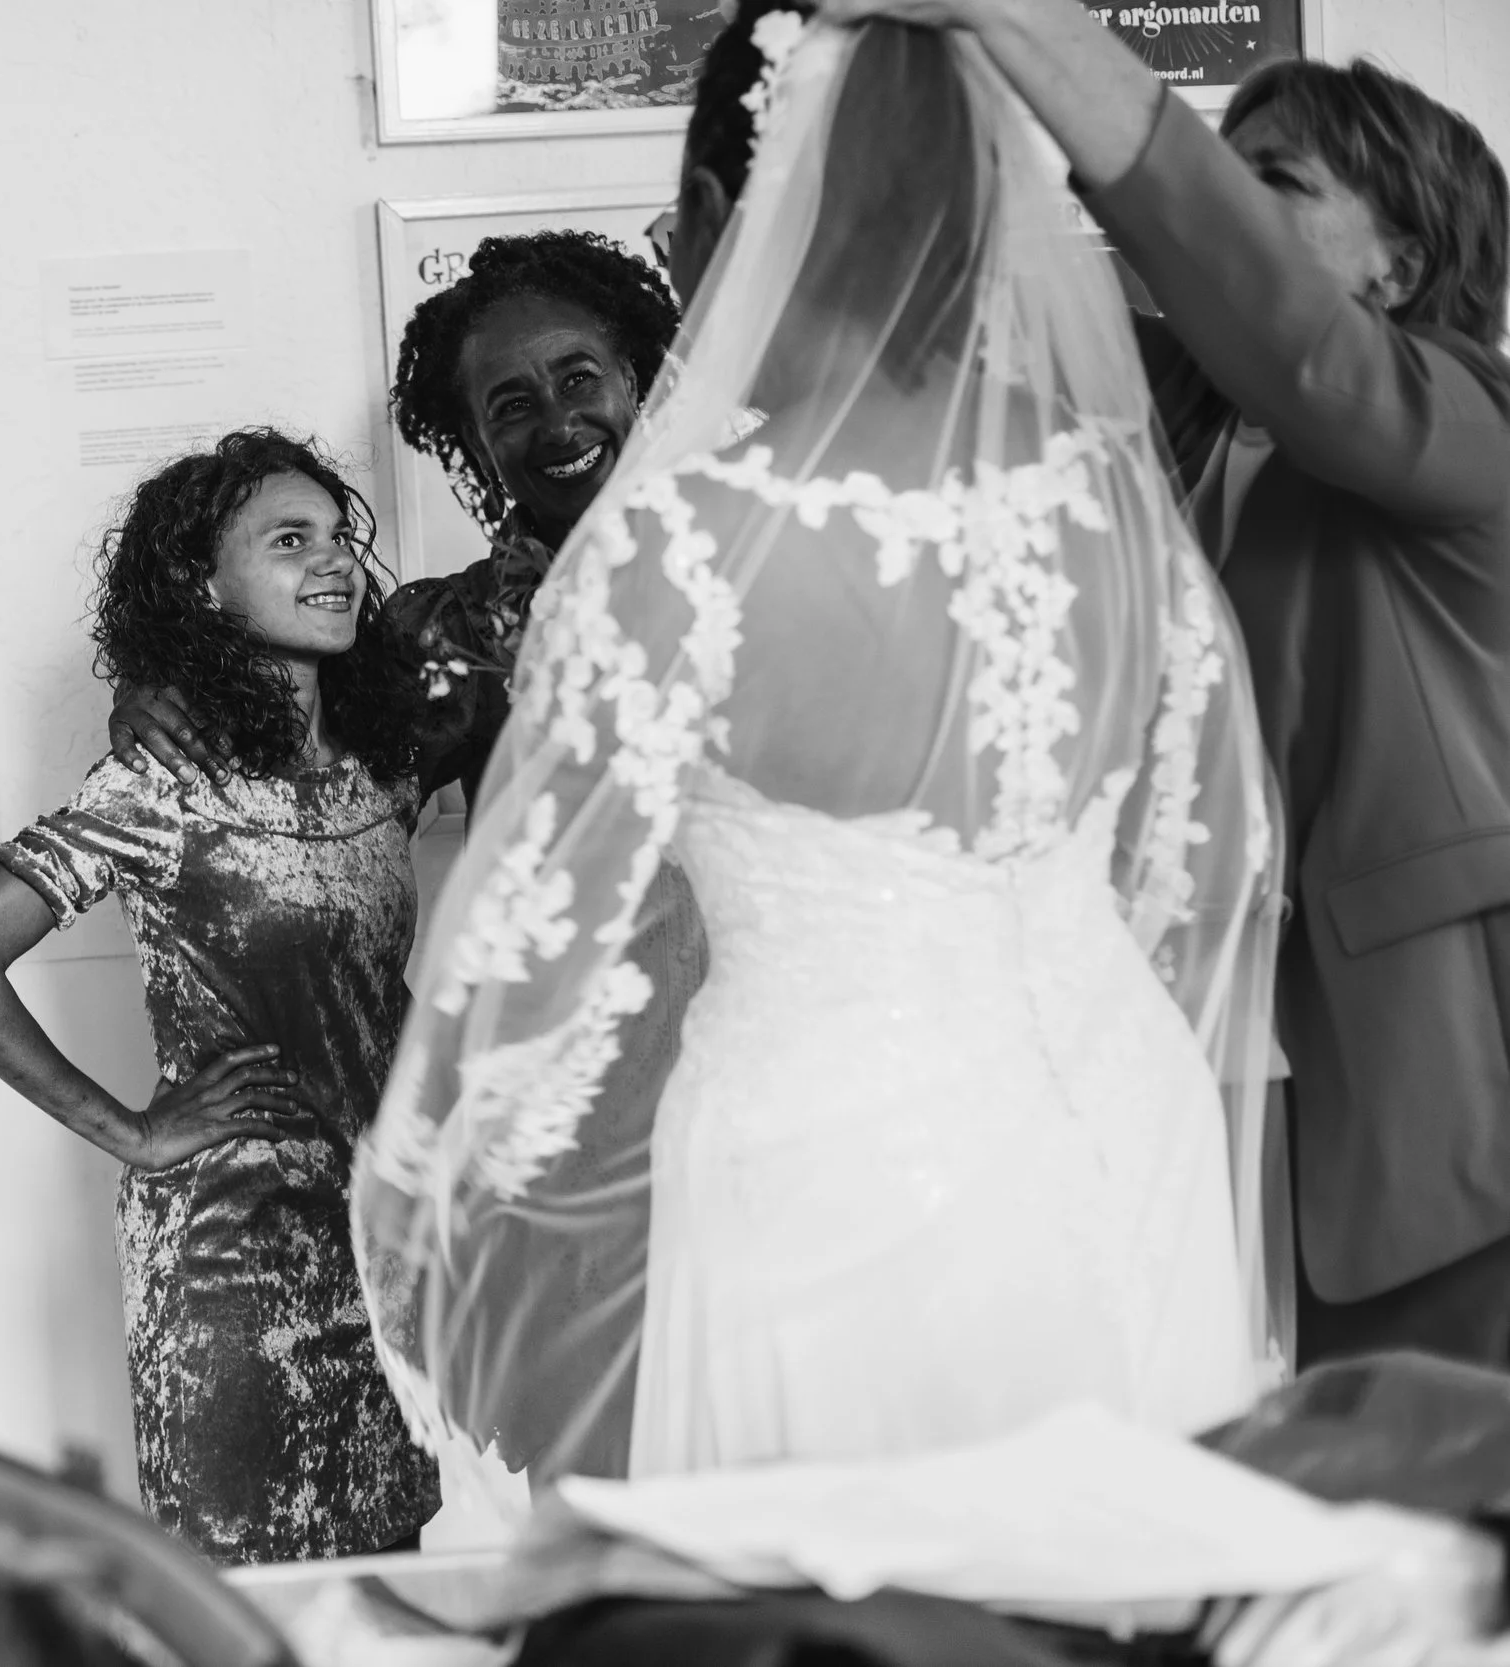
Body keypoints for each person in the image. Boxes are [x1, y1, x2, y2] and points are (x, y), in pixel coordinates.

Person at [352, 1, 1285, 1496]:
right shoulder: (1113, 506)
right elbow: (1190, 870)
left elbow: (531, 965)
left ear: (719, 215)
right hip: (1128, 1120)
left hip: (832, 1159)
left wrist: (419, 1200)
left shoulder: (678, 544)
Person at [823, 0, 1510, 1374]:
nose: (1234, 218)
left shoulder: (1469, 425)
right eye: (1229, 174)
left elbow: (1290, 340)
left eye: (1281, 187)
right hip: (1244, 1089)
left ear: (1400, 262)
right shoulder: (1192, 456)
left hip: (1458, 1089)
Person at [0, 430, 440, 1565]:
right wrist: (137, 1134)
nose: (333, 560)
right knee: (245, 1598)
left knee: (385, 1580)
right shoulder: (156, 782)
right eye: (287, 540)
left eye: (338, 535)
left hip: (384, 1248)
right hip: (232, 1267)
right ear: (202, 586)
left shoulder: (383, 764)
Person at [108, 233, 683, 815]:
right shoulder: (451, 636)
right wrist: (156, 687)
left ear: (632, 382)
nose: (559, 426)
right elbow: (299, 762)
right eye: (512, 406)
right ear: (477, 447)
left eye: (579, 378)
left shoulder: (760, 544)